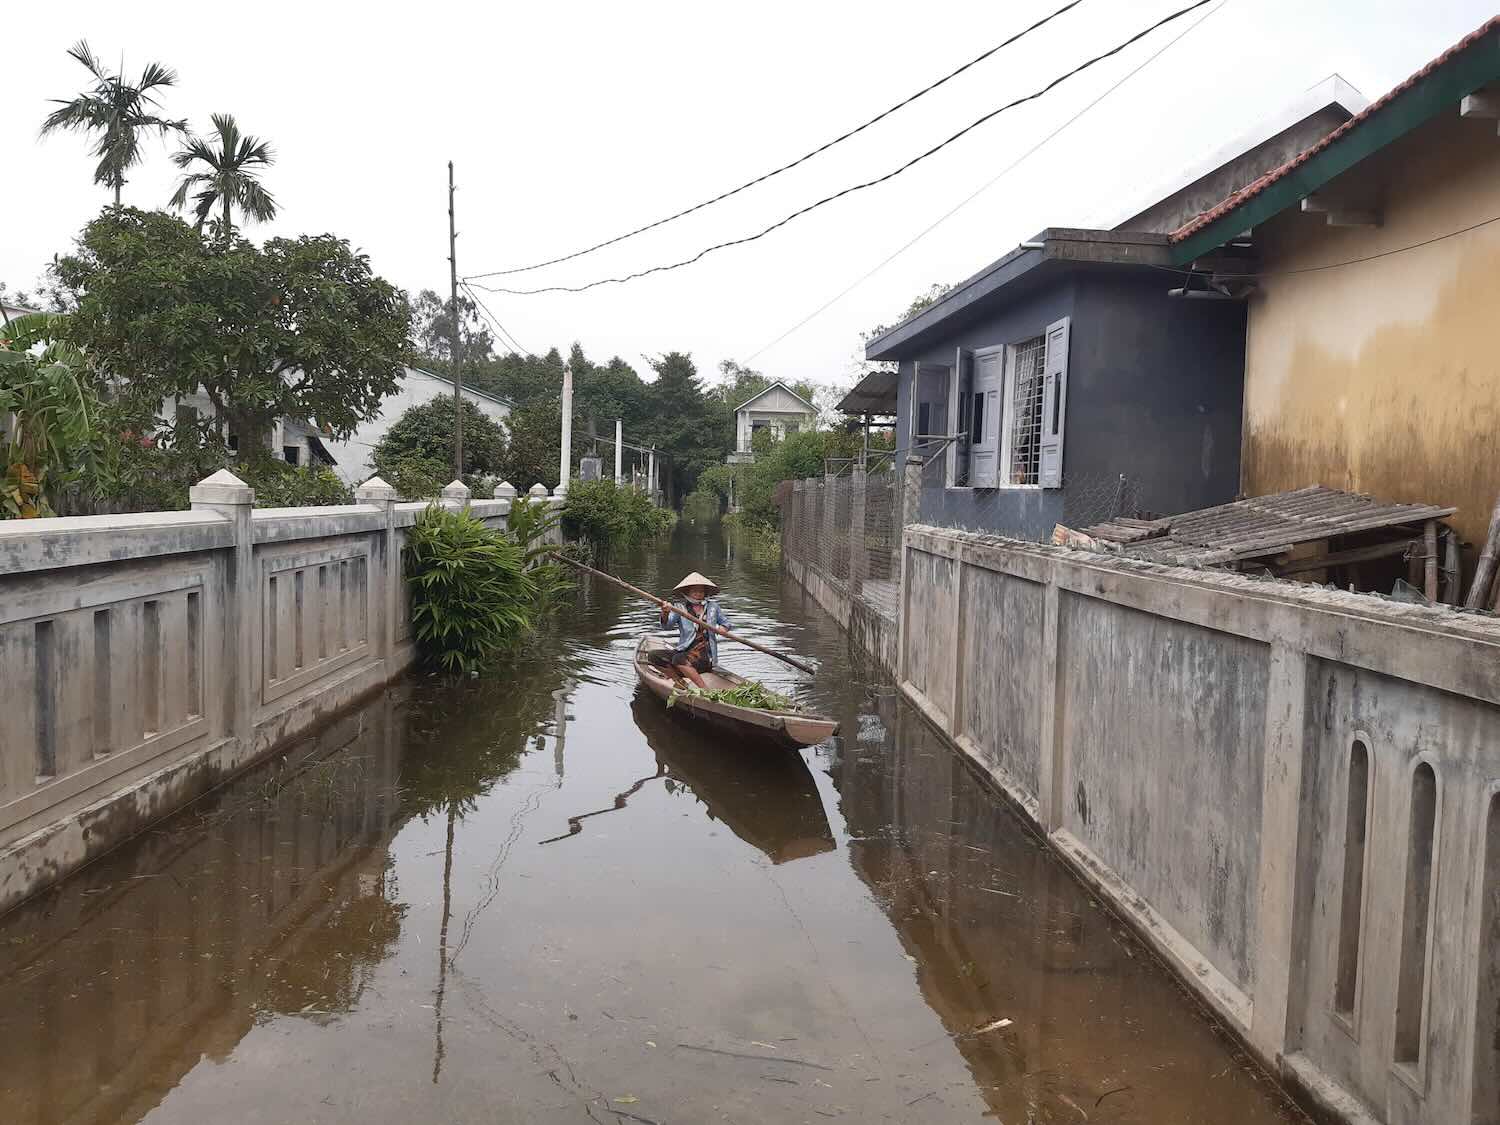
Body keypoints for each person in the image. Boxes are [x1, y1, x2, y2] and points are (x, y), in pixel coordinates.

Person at [649, 571, 729, 689]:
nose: (698, 593)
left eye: (701, 591)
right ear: (687, 592)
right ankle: (679, 681)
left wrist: (723, 629)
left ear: (705, 592)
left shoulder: (713, 607)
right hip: (685, 651)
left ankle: (705, 690)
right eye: (694, 591)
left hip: (704, 655)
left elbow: (726, 623)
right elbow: (667, 626)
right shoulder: (680, 608)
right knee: (653, 656)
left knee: (678, 659)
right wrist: (665, 612)